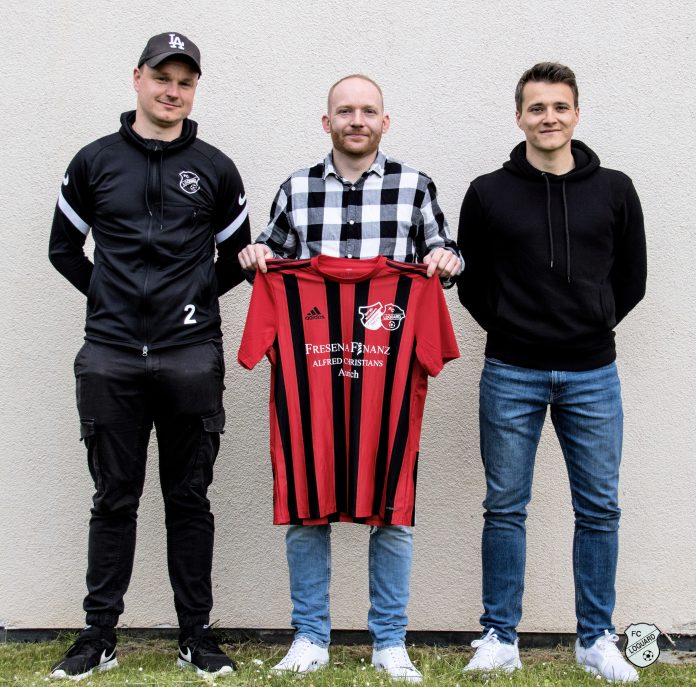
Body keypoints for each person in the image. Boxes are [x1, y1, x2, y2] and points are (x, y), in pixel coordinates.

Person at [238, 74, 462, 683]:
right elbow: (269, 255)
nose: (356, 119)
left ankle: (389, 640)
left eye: (367, 111)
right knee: (307, 506)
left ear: (384, 121)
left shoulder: (415, 187)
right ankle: (310, 636)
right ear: (327, 121)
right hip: (308, 392)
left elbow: (445, 255)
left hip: (385, 392)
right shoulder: (297, 187)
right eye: (345, 111)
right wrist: (256, 257)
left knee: (392, 510)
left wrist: (445, 262)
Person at [48, 32, 251, 680]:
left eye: (185, 81)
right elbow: (62, 250)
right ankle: (97, 636)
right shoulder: (94, 162)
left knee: (189, 498)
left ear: (194, 89)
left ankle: (197, 635)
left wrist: (187, 304)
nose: (172, 90)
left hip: (190, 357)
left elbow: (235, 259)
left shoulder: (217, 168)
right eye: (162, 76)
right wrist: (113, 303)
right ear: (137, 77)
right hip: (109, 358)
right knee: (114, 498)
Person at [456, 62, 646, 683]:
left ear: (576, 114)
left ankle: (596, 639)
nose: (549, 118)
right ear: (519, 117)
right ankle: (499, 636)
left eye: (560, 107)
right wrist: (512, 325)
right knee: (505, 506)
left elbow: (632, 279)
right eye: (537, 108)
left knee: (599, 508)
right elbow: (474, 284)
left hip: (593, 373)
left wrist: (592, 321)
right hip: (512, 370)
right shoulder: (487, 192)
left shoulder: (615, 189)